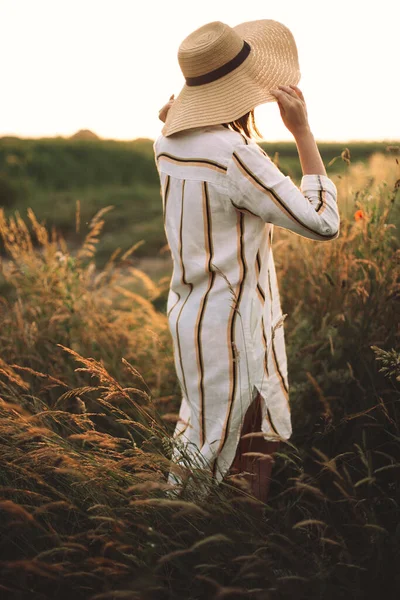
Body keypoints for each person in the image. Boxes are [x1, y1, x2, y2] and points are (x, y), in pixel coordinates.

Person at [154, 19, 340, 503]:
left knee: (201, 435)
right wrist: (302, 131)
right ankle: (241, 556)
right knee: (247, 454)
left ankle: (177, 540)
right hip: (238, 328)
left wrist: (176, 116)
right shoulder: (236, 154)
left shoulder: (166, 143)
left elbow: (178, 131)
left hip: (191, 322)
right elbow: (323, 221)